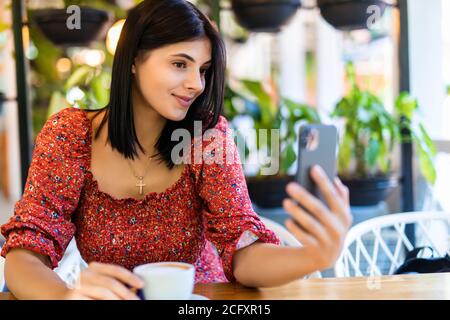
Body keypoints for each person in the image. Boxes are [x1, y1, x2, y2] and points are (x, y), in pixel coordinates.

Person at [0, 0, 352, 300]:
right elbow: (25, 255)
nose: (196, 84)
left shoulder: (206, 138)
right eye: (179, 64)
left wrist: (313, 255)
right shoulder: (69, 135)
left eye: (203, 70)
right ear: (134, 59)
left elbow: (244, 254)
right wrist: (67, 296)